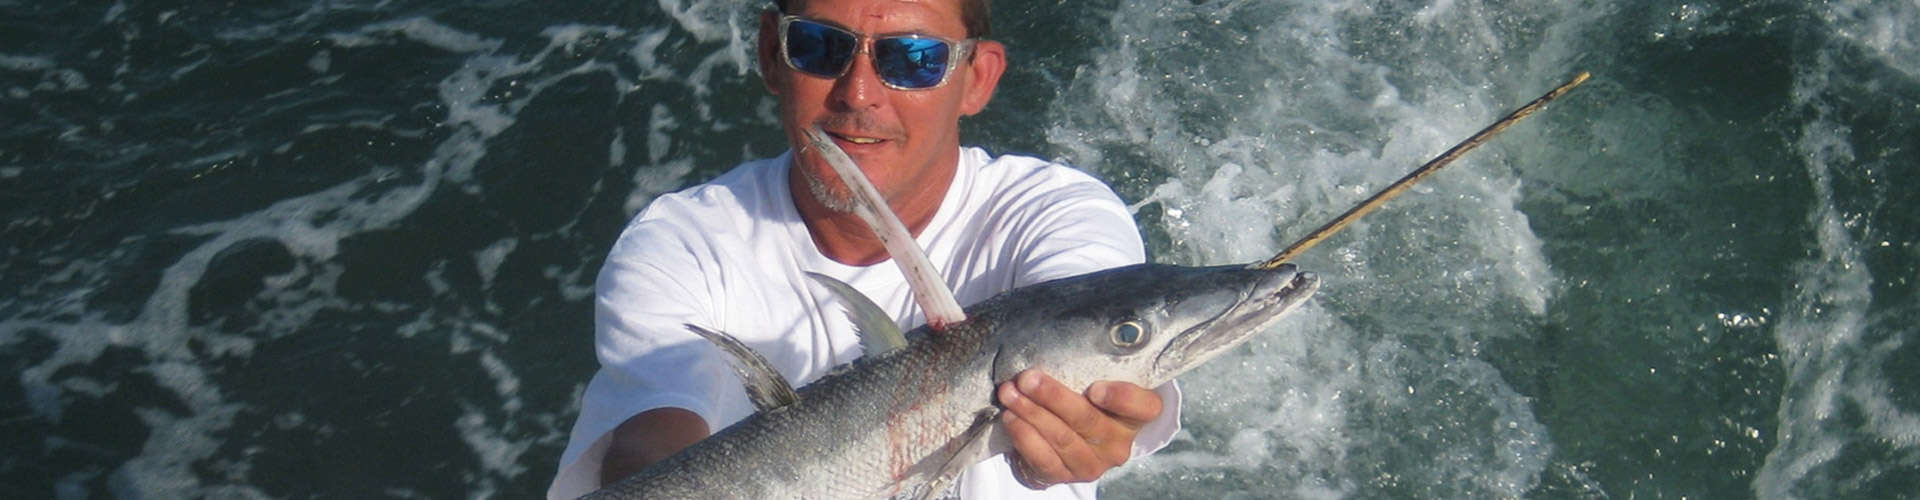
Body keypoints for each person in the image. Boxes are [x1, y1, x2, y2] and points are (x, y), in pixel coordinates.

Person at [547, 0, 1183, 498]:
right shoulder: (683, 240)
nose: (857, 93)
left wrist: (1089, 430)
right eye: (819, 47)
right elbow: (650, 440)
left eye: (913, 58)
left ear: (977, 79)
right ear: (771, 53)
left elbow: (1090, 326)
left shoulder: (1055, 212)